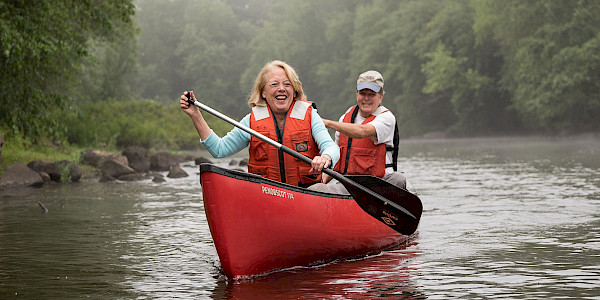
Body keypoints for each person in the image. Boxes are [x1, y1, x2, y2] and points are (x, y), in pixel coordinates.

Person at [179, 60, 340, 188]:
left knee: (320, 189)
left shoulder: (310, 116)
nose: (281, 89)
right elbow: (219, 150)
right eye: (274, 84)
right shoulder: (251, 121)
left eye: (287, 84)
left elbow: (331, 147)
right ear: (263, 92)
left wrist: (325, 157)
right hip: (267, 194)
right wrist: (195, 115)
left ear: (295, 90)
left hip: (305, 193)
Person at [310, 70, 406, 194]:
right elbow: (338, 161)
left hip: (379, 185)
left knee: (399, 178)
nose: (366, 98)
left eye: (371, 94)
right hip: (349, 185)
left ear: (381, 96)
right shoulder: (345, 119)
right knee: (318, 189)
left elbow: (363, 131)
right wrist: (321, 183)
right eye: (362, 93)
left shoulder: (386, 118)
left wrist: (326, 123)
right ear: (357, 94)